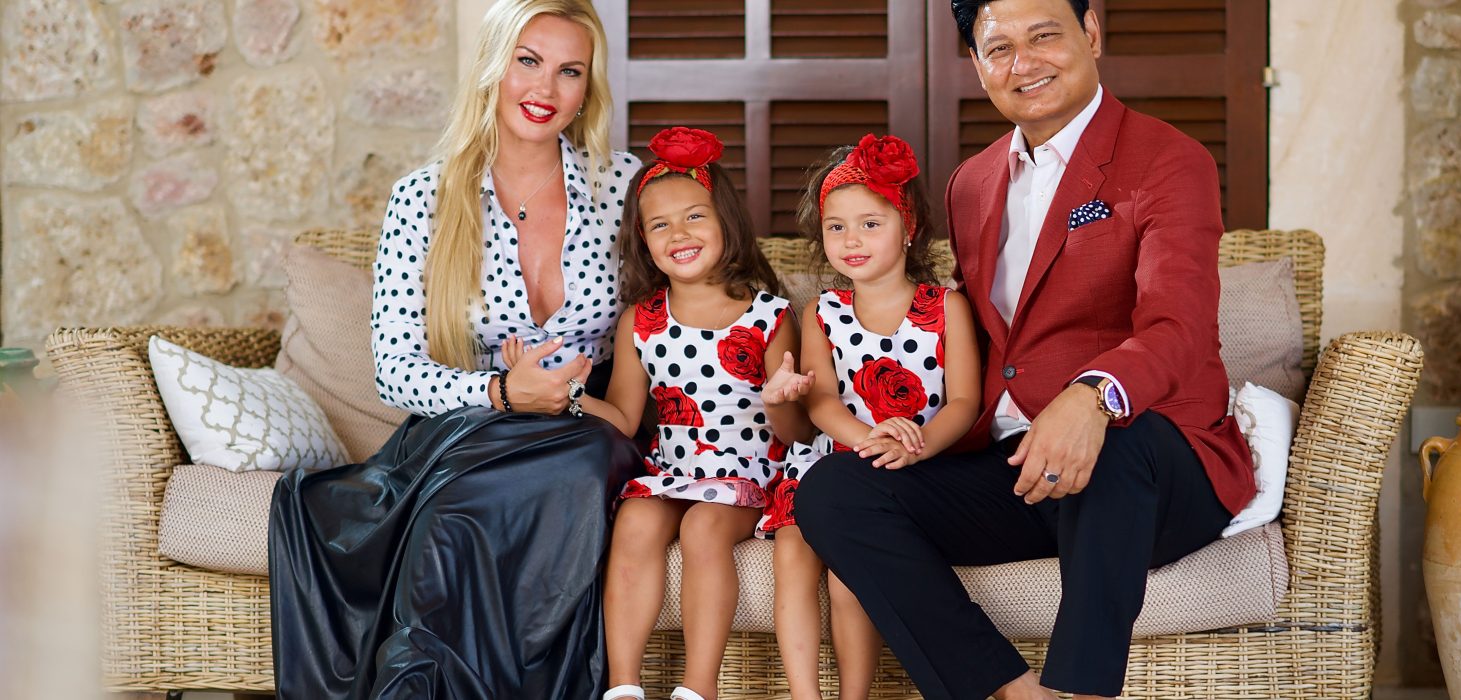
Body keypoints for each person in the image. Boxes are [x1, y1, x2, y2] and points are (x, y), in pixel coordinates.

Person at [794, 1, 1258, 698]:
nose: (1025, 62)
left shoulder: (1169, 159)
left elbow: (1181, 326)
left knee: (1118, 443)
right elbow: (975, 337)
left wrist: (1092, 396)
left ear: (1091, 32)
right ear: (978, 65)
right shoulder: (972, 183)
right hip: (1016, 468)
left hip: (1150, 468)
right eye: (1000, 47)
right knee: (835, 490)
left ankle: (1080, 689)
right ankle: (1010, 690)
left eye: (1045, 36)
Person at [267, 1, 644, 697]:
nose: (546, 88)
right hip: (472, 426)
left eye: (570, 71)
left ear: (588, 88)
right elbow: (395, 372)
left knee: (587, 458)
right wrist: (502, 393)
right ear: (493, 66)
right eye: (528, 62)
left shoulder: (623, 185)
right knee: (457, 509)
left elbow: (677, 307)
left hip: (591, 419)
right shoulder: (422, 197)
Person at [758, 134, 982, 700]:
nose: (851, 240)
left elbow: (964, 402)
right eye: (836, 227)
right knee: (792, 554)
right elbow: (822, 403)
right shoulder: (823, 312)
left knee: (848, 572)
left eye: (870, 224)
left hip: (916, 465)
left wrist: (916, 444)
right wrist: (871, 438)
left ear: (908, 228)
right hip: (838, 459)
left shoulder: (946, 307)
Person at [593, 127, 811, 700]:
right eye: (660, 225)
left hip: (750, 474)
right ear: (642, 240)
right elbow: (623, 417)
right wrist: (568, 394)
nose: (679, 234)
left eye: (695, 216)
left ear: (726, 223)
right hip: (674, 469)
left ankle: (698, 688)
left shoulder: (769, 316)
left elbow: (797, 433)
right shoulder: (641, 320)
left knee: (703, 526)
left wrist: (780, 400)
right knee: (635, 521)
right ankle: (623, 687)